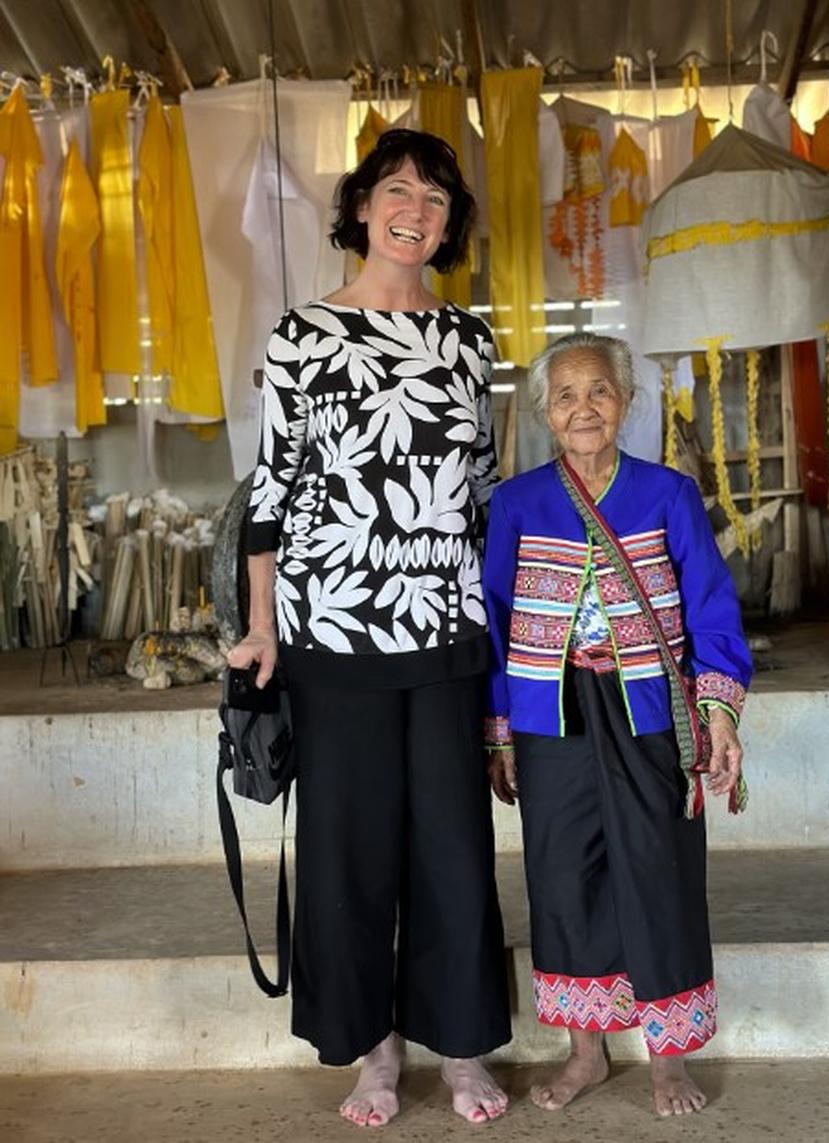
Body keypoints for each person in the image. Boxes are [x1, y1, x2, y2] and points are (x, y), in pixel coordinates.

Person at [228, 129, 510, 1128]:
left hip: (443, 621)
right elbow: (270, 491)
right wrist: (261, 626)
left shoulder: (472, 342)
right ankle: (375, 1053)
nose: (416, 212)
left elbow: (481, 497)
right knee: (347, 853)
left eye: (436, 200)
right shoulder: (302, 335)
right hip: (331, 628)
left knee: (452, 846)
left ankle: (466, 1047)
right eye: (398, 191)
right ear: (359, 209)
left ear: (448, 226)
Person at [482, 333, 752, 1118]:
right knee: (564, 874)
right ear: (544, 412)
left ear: (625, 403)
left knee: (657, 867)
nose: (583, 408)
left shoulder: (666, 494)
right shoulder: (517, 503)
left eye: (598, 390)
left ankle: (668, 1056)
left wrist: (718, 712)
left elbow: (709, 606)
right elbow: (494, 621)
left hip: (646, 711)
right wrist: (498, 730)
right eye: (565, 395)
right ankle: (588, 1054)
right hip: (550, 712)